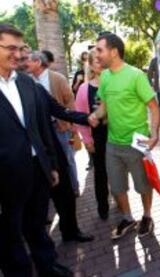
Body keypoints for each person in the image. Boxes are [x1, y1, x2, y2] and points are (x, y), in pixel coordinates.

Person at [0, 24, 72, 277]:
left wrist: (51, 165)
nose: (18, 55)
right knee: (9, 237)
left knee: (37, 226)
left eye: (21, 48)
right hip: (5, 179)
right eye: (11, 48)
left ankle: (47, 267)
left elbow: (41, 128)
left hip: (37, 171)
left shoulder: (27, 83)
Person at [18, 48, 95, 243]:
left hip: (51, 150)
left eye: (25, 55)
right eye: (21, 54)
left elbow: (60, 110)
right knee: (35, 207)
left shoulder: (33, 87)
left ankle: (71, 232)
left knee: (66, 195)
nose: (23, 59)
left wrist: (89, 118)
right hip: (26, 160)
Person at [90, 33, 160, 240]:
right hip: (112, 143)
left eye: (100, 49)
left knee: (143, 185)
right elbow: (104, 106)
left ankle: (147, 216)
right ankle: (128, 218)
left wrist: (155, 133)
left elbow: (154, 107)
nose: (97, 54)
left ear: (114, 52)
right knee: (117, 187)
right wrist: (95, 115)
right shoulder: (104, 77)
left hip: (137, 142)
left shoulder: (136, 75)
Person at [26, 51, 81, 196]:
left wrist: (73, 124)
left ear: (38, 62)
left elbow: (69, 100)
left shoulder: (58, 78)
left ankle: (74, 187)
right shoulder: (27, 81)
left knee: (68, 159)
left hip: (60, 127)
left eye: (29, 61)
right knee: (49, 161)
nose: (26, 63)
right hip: (41, 131)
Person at [76, 50, 110, 220]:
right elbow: (81, 117)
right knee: (101, 174)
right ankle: (103, 206)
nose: (100, 62)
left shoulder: (116, 83)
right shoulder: (84, 89)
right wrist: (87, 140)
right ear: (90, 65)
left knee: (118, 173)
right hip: (98, 138)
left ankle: (121, 200)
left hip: (118, 136)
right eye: (96, 60)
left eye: (101, 58)